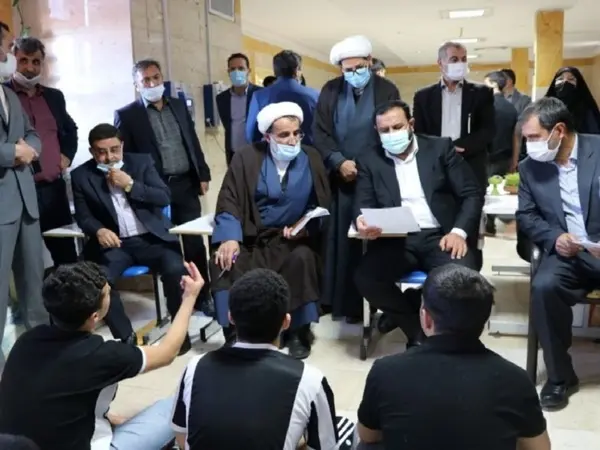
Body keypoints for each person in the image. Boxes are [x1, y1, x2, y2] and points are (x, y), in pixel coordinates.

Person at [0, 260, 204, 450]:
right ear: (95, 316)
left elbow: (51, 396)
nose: (111, 293)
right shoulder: (103, 355)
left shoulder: (26, 341)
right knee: (178, 404)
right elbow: (167, 352)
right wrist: (189, 297)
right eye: (108, 293)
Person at [356, 264, 550, 450]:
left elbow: (367, 435)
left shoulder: (385, 372)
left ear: (426, 318)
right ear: (483, 321)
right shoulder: (516, 380)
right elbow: (541, 447)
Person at [354, 100, 482, 345]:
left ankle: (449, 333)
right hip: (397, 238)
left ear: (411, 124)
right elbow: (362, 203)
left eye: (397, 127)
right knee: (367, 278)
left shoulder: (439, 148)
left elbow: (471, 193)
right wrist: (362, 220)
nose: (391, 134)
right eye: (384, 130)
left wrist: (459, 232)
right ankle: (416, 330)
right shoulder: (369, 158)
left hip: (441, 236)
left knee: (462, 279)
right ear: (376, 131)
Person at [210, 102, 330, 359]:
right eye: (284, 134)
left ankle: (298, 331)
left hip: (290, 240)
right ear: (267, 137)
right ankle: (235, 331)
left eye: (296, 133)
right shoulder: (246, 157)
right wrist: (229, 237)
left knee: (303, 259)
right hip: (252, 239)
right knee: (225, 261)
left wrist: (304, 228)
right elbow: (229, 199)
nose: (292, 140)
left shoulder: (311, 158)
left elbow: (320, 204)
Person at [172, 268, 339, 450]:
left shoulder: (194, 367)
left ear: (231, 317)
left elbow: (182, 439)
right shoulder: (311, 380)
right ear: (286, 322)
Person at [70, 123, 192, 352]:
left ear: (122, 146)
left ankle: (179, 335)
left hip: (152, 240)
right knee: (99, 282)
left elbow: (164, 197)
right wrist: (98, 230)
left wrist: (130, 185)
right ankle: (126, 339)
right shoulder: (81, 175)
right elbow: (84, 216)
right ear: (92, 152)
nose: (109, 157)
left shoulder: (142, 163)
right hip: (116, 246)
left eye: (114, 150)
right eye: (101, 152)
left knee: (175, 271)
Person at [516, 97, 600, 410]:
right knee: (543, 287)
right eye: (526, 138)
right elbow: (526, 215)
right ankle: (560, 377)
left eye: (534, 137)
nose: (530, 146)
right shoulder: (530, 168)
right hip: (569, 254)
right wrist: (554, 237)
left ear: (559, 131)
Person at [313, 35, 400, 322]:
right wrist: (338, 162)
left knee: (374, 239)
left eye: (359, 68)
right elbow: (320, 132)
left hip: (375, 176)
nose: (353, 74)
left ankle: (375, 302)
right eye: (347, 70)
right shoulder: (330, 90)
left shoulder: (387, 89)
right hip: (340, 177)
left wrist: (367, 166)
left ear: (370, 62)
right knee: (339, 240)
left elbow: (392, 129)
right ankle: (338, 302)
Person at [114, 58, 211, 306]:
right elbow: (124, 157)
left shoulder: (178, 106)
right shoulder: (127, 115)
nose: (152, 83)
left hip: (185, 184)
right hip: (154, 190)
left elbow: (192, 141)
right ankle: (179, 299)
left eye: (156, 77)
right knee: (167, 245)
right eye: (146, 80)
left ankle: (203, 296)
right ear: (137, 84)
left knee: (194, 242)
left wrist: (202, 173)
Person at [0, 21, 47, 370]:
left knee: (34, 288)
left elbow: (32, 134)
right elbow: (12, 147)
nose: (7, 55)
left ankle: (40, 358)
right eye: (5, 48)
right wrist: (12, 153)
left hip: (25, 202)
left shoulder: (10, 95)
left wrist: (30, 149)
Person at [8, 36, 78, 269]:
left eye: (36, 62)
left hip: (53, 190)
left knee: (66, 256)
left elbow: (70, 129)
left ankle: (68, 294)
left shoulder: (54, 97)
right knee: (26, 260)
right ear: (13, 60)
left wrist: (67, 155)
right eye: (23, 61)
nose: (29, 68)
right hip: (19, 191)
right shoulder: (3, 95)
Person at [413, 41, 494, 191]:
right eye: (454, 59)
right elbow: (419, 132)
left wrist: (459, 147)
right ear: (440, 63)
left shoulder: (481, 93)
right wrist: (442, 149)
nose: (460, 64)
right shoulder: (423, 96)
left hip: (470, 163)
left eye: (464, 59)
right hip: (436, 165)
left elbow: (487, 130)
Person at [245, 50, 319, 145]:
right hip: (307, 150)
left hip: (273, 151)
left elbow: (251, 134)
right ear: (297, 70)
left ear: (275, 71)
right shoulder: (315, 95)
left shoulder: (259, 96)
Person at [483, 70, 519, 236]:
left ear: (493, 84)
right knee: (498, 191)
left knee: (484, 192)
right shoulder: (511, 108)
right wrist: (514, 160)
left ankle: (487, 223)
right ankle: (493, 222)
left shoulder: (484, 106)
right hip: (504, 157)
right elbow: (516, 136)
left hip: (485, 157)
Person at [216, 52, 262, 165]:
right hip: (234, 156)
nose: (237, 72)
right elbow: (227, 126)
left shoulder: (261, 94)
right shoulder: (222, 98)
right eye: (233, 69)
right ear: (228, 72)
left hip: (257, 155)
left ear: (248, 71)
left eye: (241, 68)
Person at [544, 66, 600, 134]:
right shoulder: (545, 106)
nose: (565, 81)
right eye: (560, 79)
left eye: (571, 79)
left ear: (578, 85)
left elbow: (594, 134)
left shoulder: (586, 107)